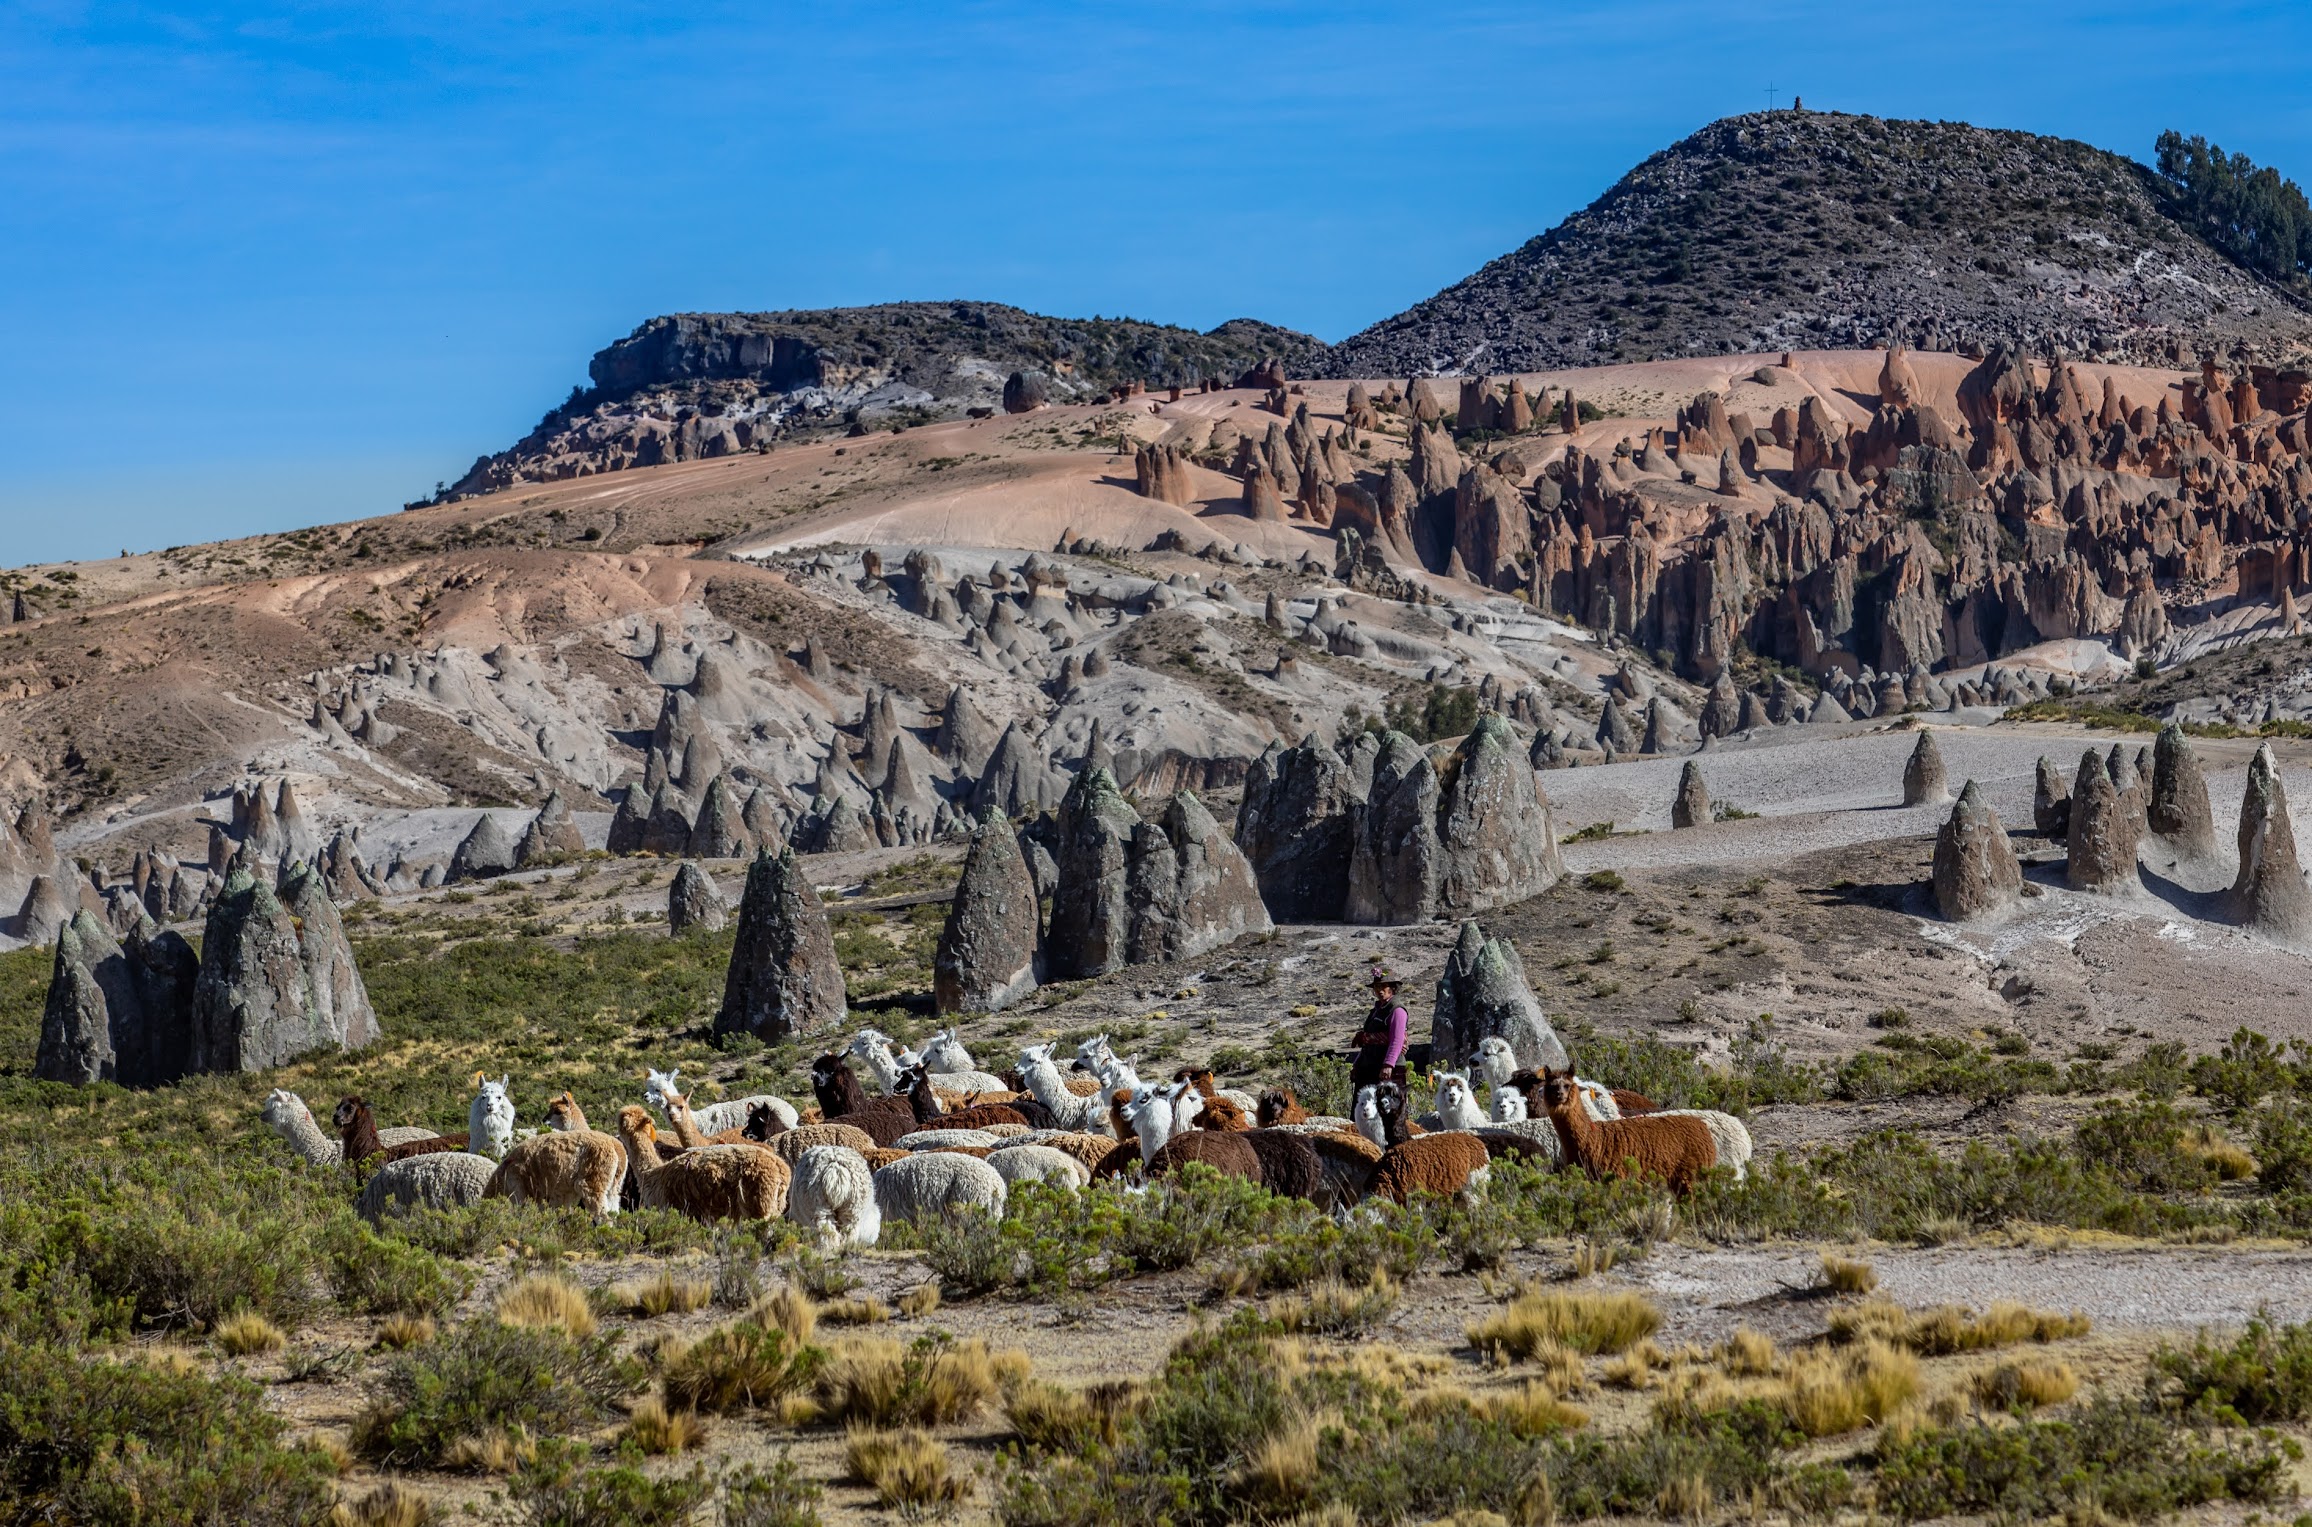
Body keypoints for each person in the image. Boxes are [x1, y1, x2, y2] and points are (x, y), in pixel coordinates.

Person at [1349, 966, 1408, 1088]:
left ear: (1392, 988)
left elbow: (1397, 1040)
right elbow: (1367, 1045)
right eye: (1377, 987)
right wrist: (1356, 1064)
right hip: (1370, 1066)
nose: (1379, 990)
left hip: (1389, 1070)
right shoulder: (1376, 1010)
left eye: (1383, 986)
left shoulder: (1397, 1010)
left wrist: (1388, 1065)